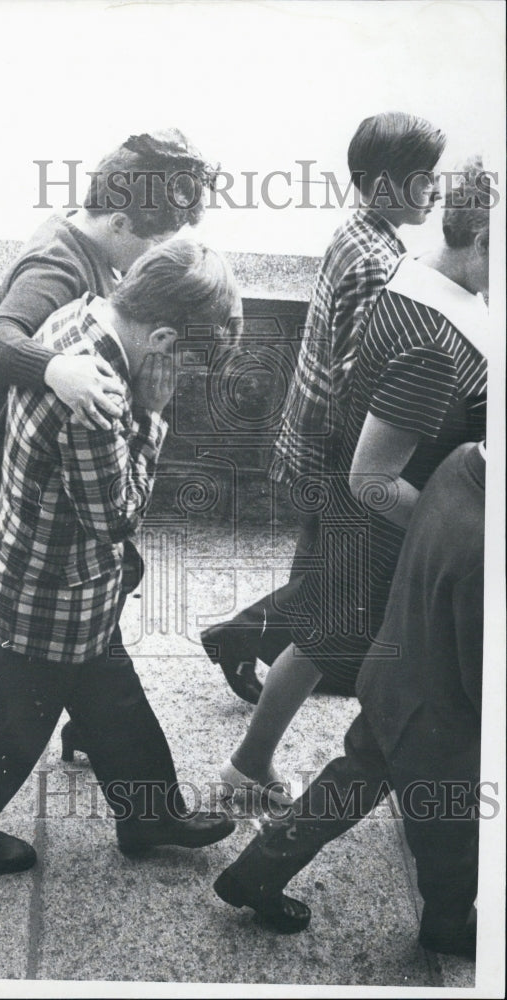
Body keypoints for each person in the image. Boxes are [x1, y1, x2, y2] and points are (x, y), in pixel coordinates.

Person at [0, 130, 218, 728]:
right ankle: (84, 721)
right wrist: (58, 368)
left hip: (52, 452)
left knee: (1, 576)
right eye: (157, 241)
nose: (157, 258)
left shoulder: (91, 245)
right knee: (49, 585)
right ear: (118, 221)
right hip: (30, 458)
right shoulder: (56, 263)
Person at [0, 240, 241, 873]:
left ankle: (149, 813)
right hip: (54, 591)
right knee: (11, 720)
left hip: (46, 569)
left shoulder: (79, 316)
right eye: (187, 359)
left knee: (113, 697)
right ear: (166, 338)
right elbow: (114, 517)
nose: (186, 374)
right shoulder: (102, 402)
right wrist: (152, 420)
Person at [219, 158, 488, 805]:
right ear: (481, 242)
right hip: (393, 530)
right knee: (349, 649)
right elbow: (373, 476)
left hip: (371, 524)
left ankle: (248, 764)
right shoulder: (434, 340)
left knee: (318, 641)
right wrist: (441, 531)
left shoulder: (414, 271)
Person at [201, 112, 445, 704]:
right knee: (333, 577)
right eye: (425, 178)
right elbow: (359, 378)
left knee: (320, 568)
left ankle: (286, 654)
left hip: (310, 434)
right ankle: (240, 639)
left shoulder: (358, 235)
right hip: (336, 446)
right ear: (386, 184)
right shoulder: (376, 262)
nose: (436, 189)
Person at [214, 439, 486, 961]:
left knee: (350, 779)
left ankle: (254, 872)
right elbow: (482, 682)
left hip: (392, 675)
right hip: (441, 724)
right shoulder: (488, 547)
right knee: (449, 834)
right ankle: (448, 924)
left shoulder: (460, 463)